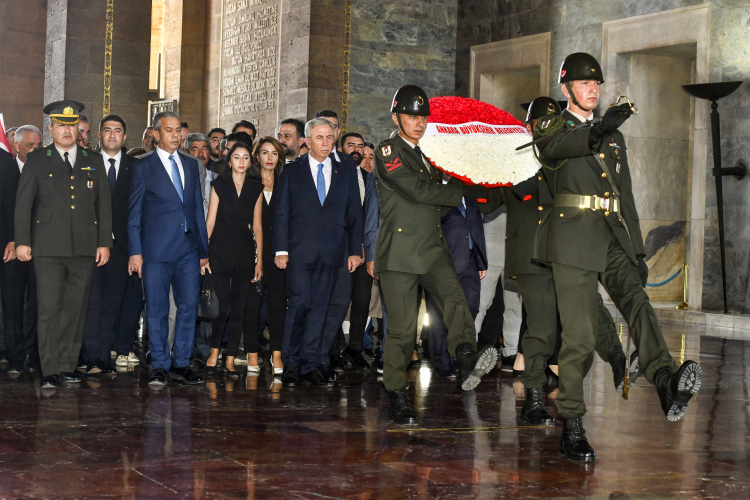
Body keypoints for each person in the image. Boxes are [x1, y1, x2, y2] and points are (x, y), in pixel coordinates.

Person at [535, 53, 701, 461]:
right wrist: (600, 127)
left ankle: (664, 379)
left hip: (611, 235)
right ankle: (572, 424)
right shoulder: (551, 124)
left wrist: (639, 250)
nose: (593, 89)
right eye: (584, 83)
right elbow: (554, 149)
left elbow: (625, 195)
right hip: (571, 238)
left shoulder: (614, 137)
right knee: (578, 336)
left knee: (638, 303)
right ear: (566, 89)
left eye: (597, 84)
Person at [374, 85, 496, 425]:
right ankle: (398, 394)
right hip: (399, 251)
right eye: (412, 116)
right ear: (397, 117)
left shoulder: (429, 154)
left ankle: (467, 356)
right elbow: (417, 189)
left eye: (423, 116)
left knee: (456, 299)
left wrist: (478, 184)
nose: (418, 122)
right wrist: (458, 188)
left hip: (432, 247)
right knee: (401, 329)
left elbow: (441, 194)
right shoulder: (387, 150)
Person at [14, 101, 112, 389]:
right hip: (47, 248)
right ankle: (50, 369)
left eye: (71, 125)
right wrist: (22, 242)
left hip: (84, 247)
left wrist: (104, 242)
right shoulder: (37, 160)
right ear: (51, 127)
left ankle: (68, 365)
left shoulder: (92, 160)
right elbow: (23, 206)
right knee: (49, 309)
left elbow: (103, 206)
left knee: (75, 308)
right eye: (61, 124)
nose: (67, 130)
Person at [273, 117, 363, 387]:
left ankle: (311, 363)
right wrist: (281, 249)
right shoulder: (291, 171)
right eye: (320, 138)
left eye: (329, 137)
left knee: (320, 309)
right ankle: (290, 362)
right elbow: (280, 214)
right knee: (299, 304)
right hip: (298, 251)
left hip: (332, 250)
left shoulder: (344, 171)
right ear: (307, 141)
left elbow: (354, 214)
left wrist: (356, 250)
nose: (326, 142)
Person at [127, 111, 208, 387]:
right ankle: (160, 364)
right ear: (156, 134)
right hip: (155, 251)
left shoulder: (191, 164)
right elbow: (134, 214)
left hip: (188, 249)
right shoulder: (142, 167)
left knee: (188, 307)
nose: (176, 135)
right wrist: (135, 252)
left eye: (178, 130)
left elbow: (196, 209)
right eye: (169, 130)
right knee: (158, 310)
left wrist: (203, 251)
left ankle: (182, 363)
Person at [203, 142, 264, 376]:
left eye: (245, 157)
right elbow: (210, 222)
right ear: (230, 161)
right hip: (218, 250)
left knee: (238, 307)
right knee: (223, 306)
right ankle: (214, 352)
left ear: (250, 162)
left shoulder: (255, 188)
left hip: (245, 252)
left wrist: (259, 261)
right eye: (236, 157)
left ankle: (229, 358)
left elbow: (257, 227)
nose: (241, 161)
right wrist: (204, 255)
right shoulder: (219, 185)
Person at [81, 115, 135, 375]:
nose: (112, 135)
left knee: (114, 303)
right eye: (107, 130)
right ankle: (92, 357)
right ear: (99, 136)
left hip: (123, 247)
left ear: (125, 137)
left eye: (118, 130)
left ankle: (103, 355)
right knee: (92, 302)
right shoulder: (85, 163)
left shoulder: (135, 167)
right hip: (89, 245)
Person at [425, 171, 488, 378]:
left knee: (471, 307)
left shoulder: (468, 188)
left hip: (471, 260)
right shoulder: (433, 187)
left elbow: (476, 224)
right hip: (444, 261)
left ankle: (461, 355)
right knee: (440, 313)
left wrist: (481, 259)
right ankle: (441, 359)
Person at [2, 125, 42, 374]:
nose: (35, 150)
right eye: (30, 145)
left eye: (39, 145)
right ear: (16, 146)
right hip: (11, 248)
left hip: (40, 248)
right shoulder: (5, 168)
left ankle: (33, 352)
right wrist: (12, 239)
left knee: (37, 303)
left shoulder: (45, 169)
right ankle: (15, 353)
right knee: (12, 302)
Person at [254, 137, 286, 375]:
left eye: (274, 153)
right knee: (252, 305)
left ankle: (277, 354)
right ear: (257, 156)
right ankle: (251, 352)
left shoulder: (286, 182)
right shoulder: (250, 182)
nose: (269, 158)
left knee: (277, 304)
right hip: (253, 253)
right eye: (265, 153)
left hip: (279, 254)